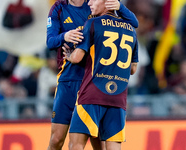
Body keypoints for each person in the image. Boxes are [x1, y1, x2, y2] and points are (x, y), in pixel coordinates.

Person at [46, 0, 138, 149]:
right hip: (69, 80)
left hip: (92, 83)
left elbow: (133, 21)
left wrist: (120, 7)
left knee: (94, 142)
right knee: (56, 139)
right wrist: (65, 36)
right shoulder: (59, 8)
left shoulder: (95, 5)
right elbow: (50, 42)